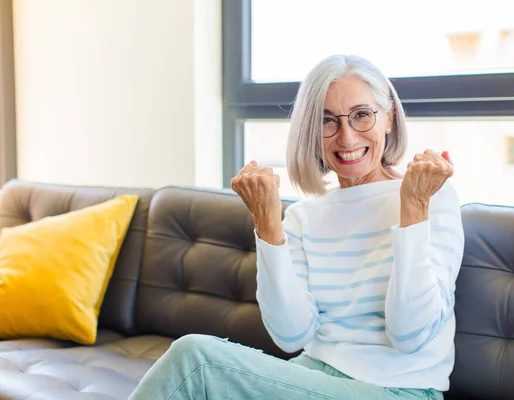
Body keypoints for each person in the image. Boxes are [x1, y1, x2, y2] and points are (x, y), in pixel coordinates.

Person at [128, 55, 464, 400]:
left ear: (389, 117)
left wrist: (412, 208)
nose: (346, 138)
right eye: (326, 121)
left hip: (398, 390)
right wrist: (267, 223)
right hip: (311, 377)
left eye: (362, 115)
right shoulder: (305, 217)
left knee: (196, 361)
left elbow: (411, 336)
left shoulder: (430, 196)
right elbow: (291, 337)